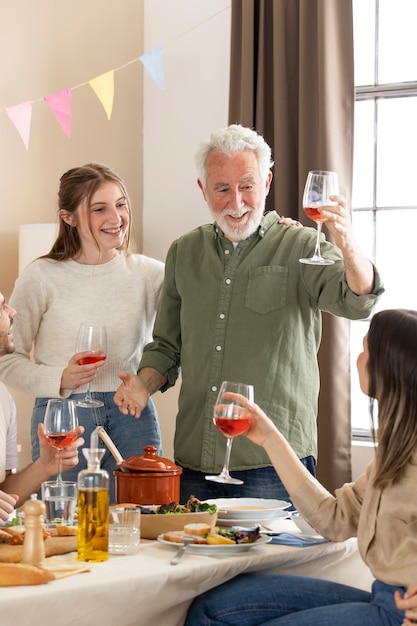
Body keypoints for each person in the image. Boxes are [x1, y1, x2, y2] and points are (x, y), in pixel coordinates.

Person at [114, 124, 384, 504]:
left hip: (273, 464)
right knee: (195, 564)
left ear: (267, 182)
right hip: (194, 459)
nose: (236, 202)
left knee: (269, 565)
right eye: (222, 189)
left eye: (247, 186)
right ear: (203, 190)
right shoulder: (184, 252)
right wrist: (143, 385)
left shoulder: (301, 246)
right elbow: (166, 347)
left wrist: (348, 241)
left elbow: (358, 300)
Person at [185, 308, 417, 626]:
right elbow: (333, 520)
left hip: (400, 615)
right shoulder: (393, 456)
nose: (358, 358)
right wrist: (270, 438)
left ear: (389, 367)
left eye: (365, 349)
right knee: (212, 608)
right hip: (382, 596)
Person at [0, 164, 164, 503]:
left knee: (141, 521)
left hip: (131, 415)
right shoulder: (41, 277)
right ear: (69, 217)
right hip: (63, 416)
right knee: (64, 524)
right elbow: (5, 361)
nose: (116, 217)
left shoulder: (150, 274)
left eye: (120, 204)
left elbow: (206, 301)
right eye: (99, 208)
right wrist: (60, 378)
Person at [0, 292, 84, 523]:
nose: (12, 312)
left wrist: (45, 466)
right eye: (1, 308)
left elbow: (5, 495)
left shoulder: (3, 399)